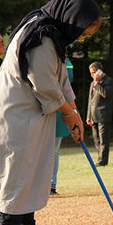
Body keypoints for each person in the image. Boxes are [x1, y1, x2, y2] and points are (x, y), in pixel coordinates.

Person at [0, 0, 102, 225]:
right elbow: (44, 84)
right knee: (14, 183)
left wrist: (75, 111)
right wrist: (69, 115)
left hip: (27, 121)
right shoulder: (40, 35)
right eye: (84, 30)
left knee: (29, 180)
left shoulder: (52, 36)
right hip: (12, 120)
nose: (82, 36)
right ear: (72, 17)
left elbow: (60, 80)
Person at [51, 57, 74, 195]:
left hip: (57, 112)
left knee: (53, 151)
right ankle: (48, 185)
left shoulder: (66, 62)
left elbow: (68, 80)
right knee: (52, 152)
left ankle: (51, 185)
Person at [86, 61, 113, 166]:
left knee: (103, 140)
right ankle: (100, 157)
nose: (92, 75)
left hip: (103, 114)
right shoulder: (92, 83)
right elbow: (90, 100)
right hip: (93, 115)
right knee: (96, 139)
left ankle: (103, 160)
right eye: (91, 73)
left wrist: (97, 83)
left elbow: (105, 94)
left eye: (93, 72)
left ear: (100, 71)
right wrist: (88, 116)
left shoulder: (109, 81)